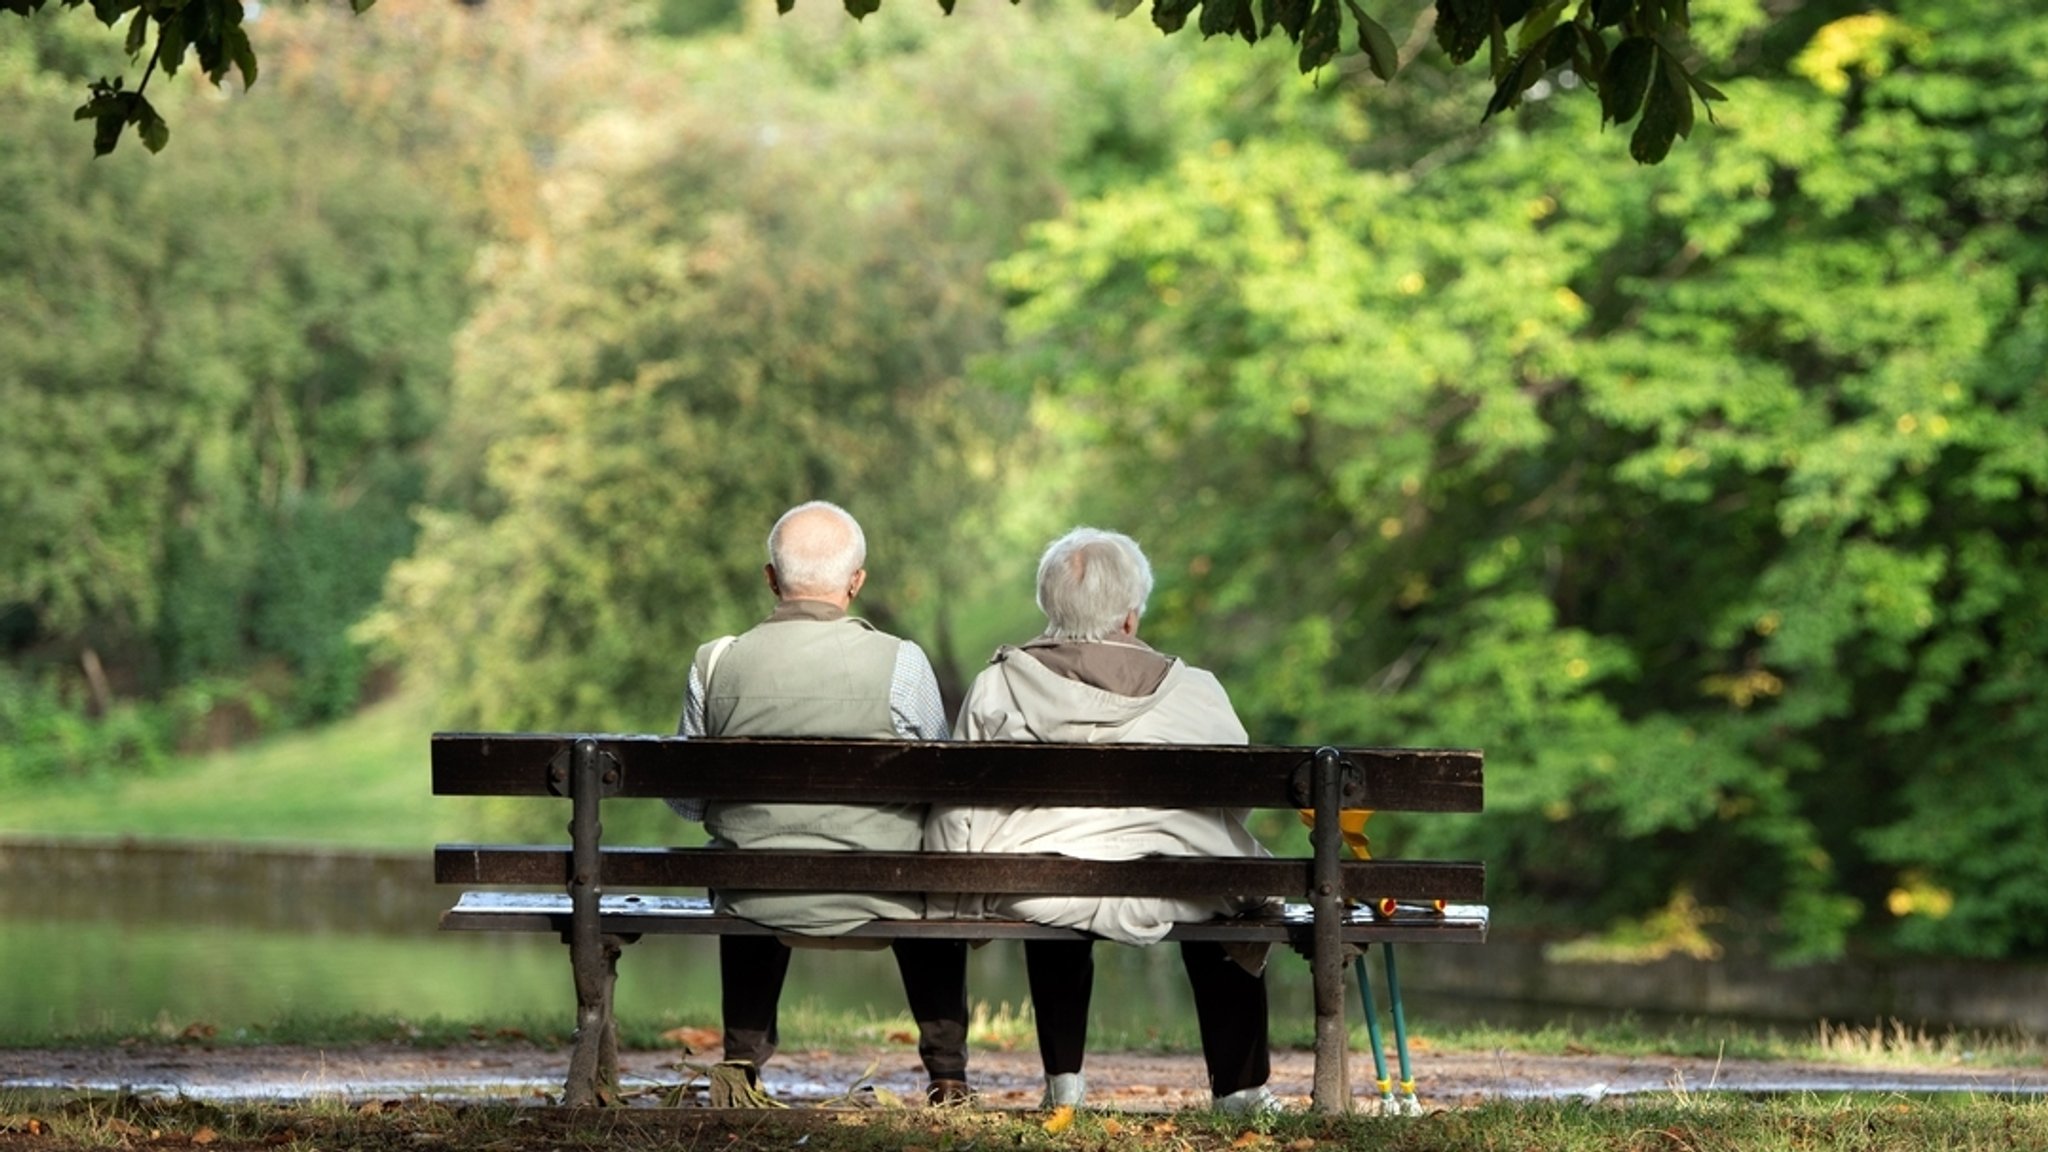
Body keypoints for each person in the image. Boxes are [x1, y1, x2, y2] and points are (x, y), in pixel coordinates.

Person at [926, 527, 1279, 1115]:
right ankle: (1240, 1093)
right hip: (1176, 885)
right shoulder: (1196, 691)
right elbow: (1232, 802)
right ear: (1131, 616)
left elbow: (959, 803)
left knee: (1052, 872)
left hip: (1035, 886)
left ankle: (1064, 1085)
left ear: (1050, 609)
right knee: (1224, 890)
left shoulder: (998, 684)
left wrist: (954, 889)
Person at [667, 500, 971, 1105]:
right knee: (931, 868)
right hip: (884, 888)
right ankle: (948, 1074)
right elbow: (939, 788)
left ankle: (741, 1065)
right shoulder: (902, 662)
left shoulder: (715, 663)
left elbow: (688, 802)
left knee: (748, 859)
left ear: (771, 579)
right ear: (856, 582)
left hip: (754, 892)